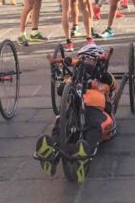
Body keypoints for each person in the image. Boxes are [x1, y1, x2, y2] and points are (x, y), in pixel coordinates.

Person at [34, 43, 117, 183]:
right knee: (61, 121)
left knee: (94, 125)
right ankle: (51, 152)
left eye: (90, 59)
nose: (85, 62)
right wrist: (71, 81)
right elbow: (61, 89)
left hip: (96, 110)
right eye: (83, 58)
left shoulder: (105, 77)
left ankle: (84, 155)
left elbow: (112, 89)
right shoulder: (75, 76)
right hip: (75, 109)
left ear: (98, 60)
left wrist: (96, 84)